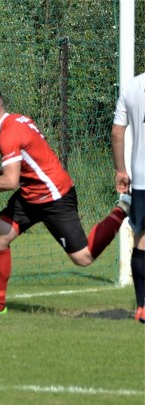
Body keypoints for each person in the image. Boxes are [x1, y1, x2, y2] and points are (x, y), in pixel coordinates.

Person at [0, 84, 130, 314]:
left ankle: (123, 207)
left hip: (55, 196)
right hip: (30, 195)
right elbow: (33, 151)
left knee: (83, 258)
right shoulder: (18, 120)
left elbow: (10, 182)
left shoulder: (8, 133)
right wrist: (16, 169)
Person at [111, 72, 145, 323]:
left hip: (141, 178)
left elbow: (117, 132)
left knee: (142, 240)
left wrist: (121, 169)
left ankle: (142, 307)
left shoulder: (133, 86)